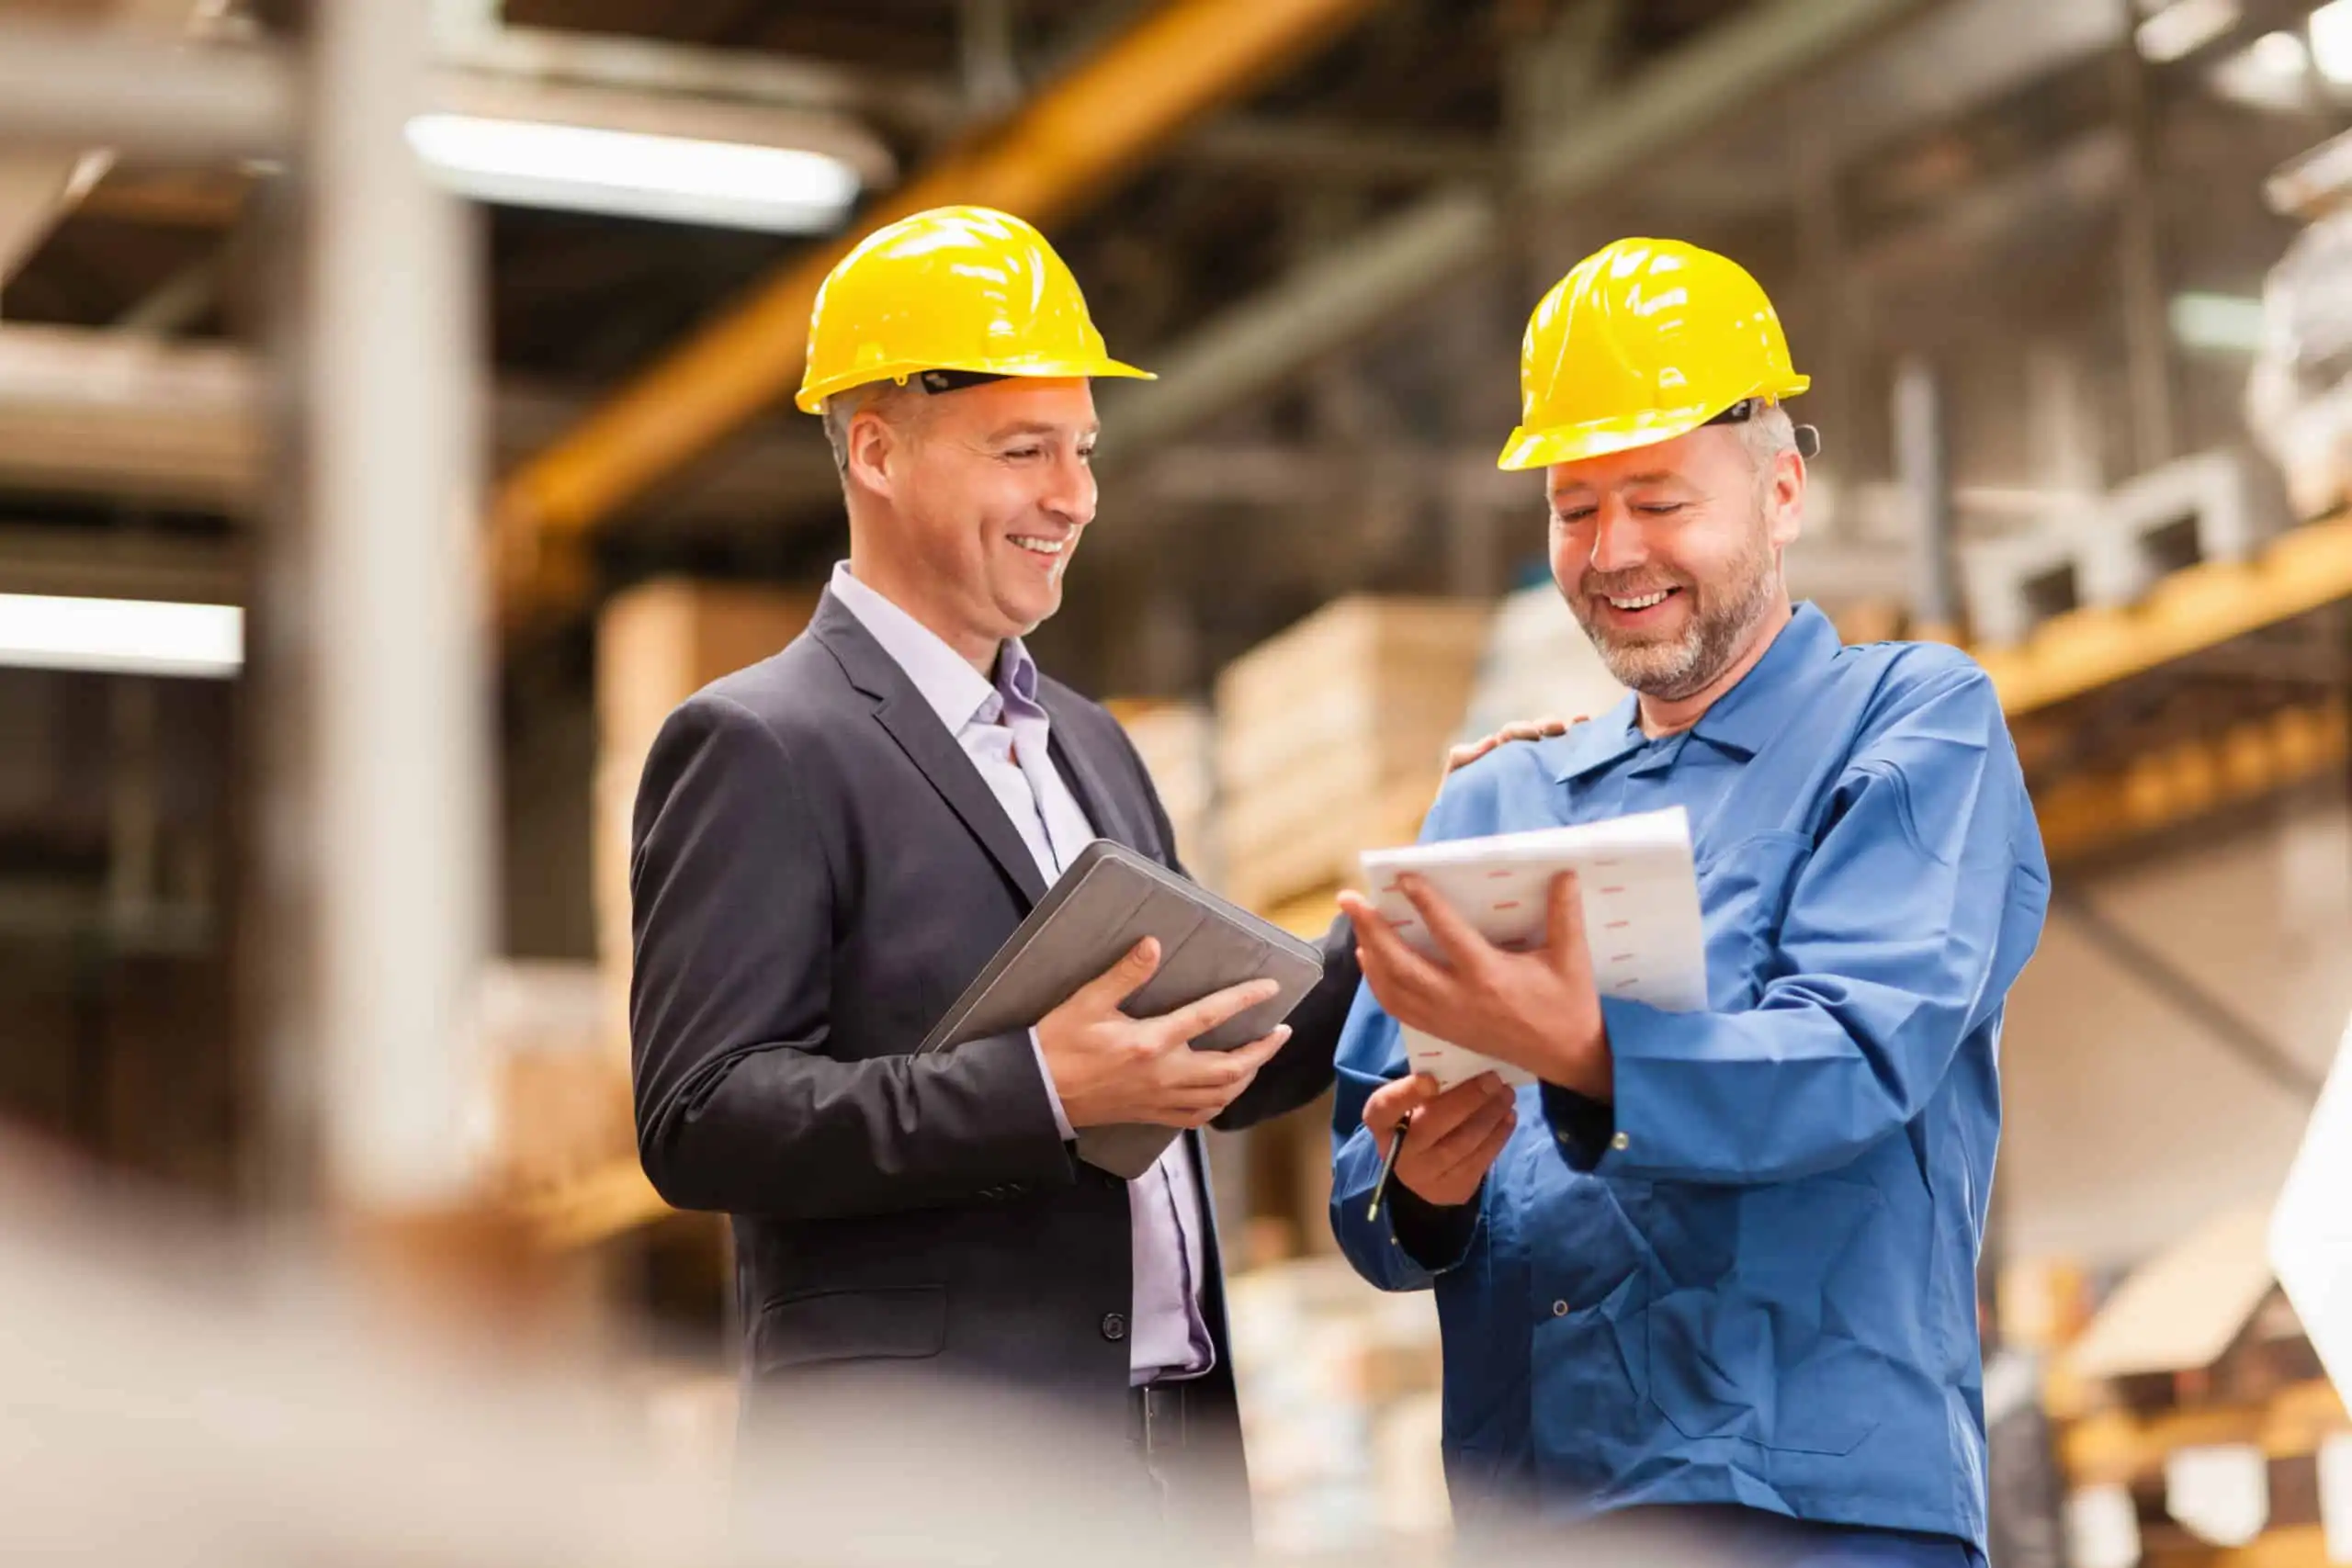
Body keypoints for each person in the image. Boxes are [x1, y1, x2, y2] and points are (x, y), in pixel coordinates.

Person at [627, 204, 1383, 1552]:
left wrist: (1386, 934)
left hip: (1154, 1466)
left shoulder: (1087, 745)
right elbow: (703, 1114)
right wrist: (1040, 1086)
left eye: (1083, 451)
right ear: (876, 448)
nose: (1075, 496)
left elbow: (1209, 1055)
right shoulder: (760, 744)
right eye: (1022, 450)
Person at [1327, 237, 2052, 1567]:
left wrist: (1589, 1053)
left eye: (1658, 501)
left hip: (1819, 1513)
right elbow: (1365, 1191)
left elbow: (1851, 1053)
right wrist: (1421, 1187)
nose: (1612, 553)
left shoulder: (1909, 726)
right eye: (1574, 507)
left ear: (1781, 491)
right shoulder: (1497, 800)